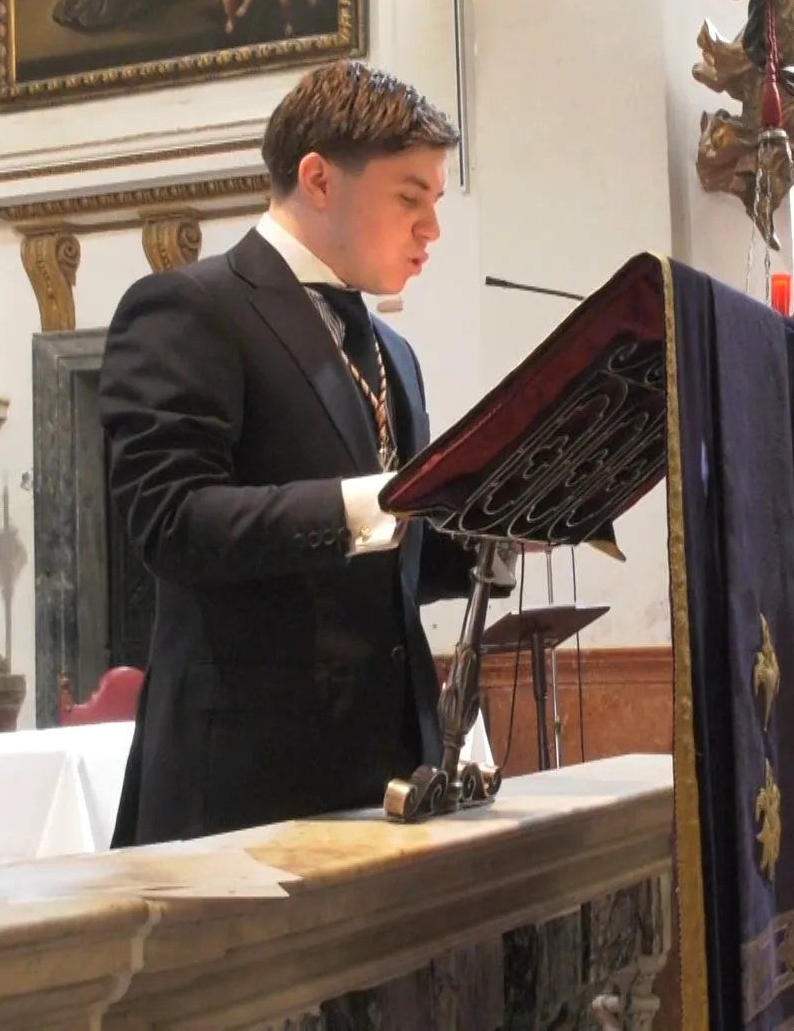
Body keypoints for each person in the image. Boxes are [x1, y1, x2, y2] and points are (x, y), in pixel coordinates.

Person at [100, 61, 504, 847]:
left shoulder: (395, 351)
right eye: (409, 198)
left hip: (391, 767)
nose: (432, 230)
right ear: (318, 178)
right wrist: (372, 502)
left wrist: (507, 519)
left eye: (436, 203)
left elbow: (395, 565)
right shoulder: (190, 307)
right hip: (246, 784)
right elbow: (168, 521)